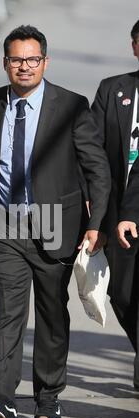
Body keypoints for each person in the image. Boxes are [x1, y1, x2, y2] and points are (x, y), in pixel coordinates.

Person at [0, 25, 110, 418]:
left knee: (52, 315)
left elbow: (96, 169)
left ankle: (48, 398)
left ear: (45, 62)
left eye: (32, 59)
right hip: (4, 224)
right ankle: (1, 399)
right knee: (7, 314)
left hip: (57, 225)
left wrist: (96, 223)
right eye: (16, 59)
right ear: (5, 63)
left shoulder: (71, 105)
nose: (24, 67)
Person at [92, 20, 139, 391]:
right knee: (121, 294)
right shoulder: (114, 90)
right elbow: (92, 151)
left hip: (133, 215)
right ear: (134, 46)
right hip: (118, 215)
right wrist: (99, 217)